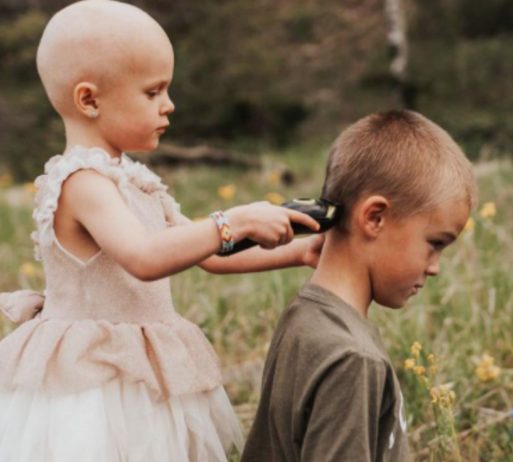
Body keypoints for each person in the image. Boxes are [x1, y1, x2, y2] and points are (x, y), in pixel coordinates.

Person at [0, 1, 324, 461]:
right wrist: (234, 219)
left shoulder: (135, 180)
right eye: (153, 92)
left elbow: (209, 254)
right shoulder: (82, 183)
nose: (169, 105)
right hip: (92, 383)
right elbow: (145, 258)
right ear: (88, 100)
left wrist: (300, 253)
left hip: (140, 375)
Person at [242, 110, 478, 462]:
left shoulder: (305, 317)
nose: (435, 268)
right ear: (374, 218)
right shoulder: (351, 358)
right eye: (435, 243)